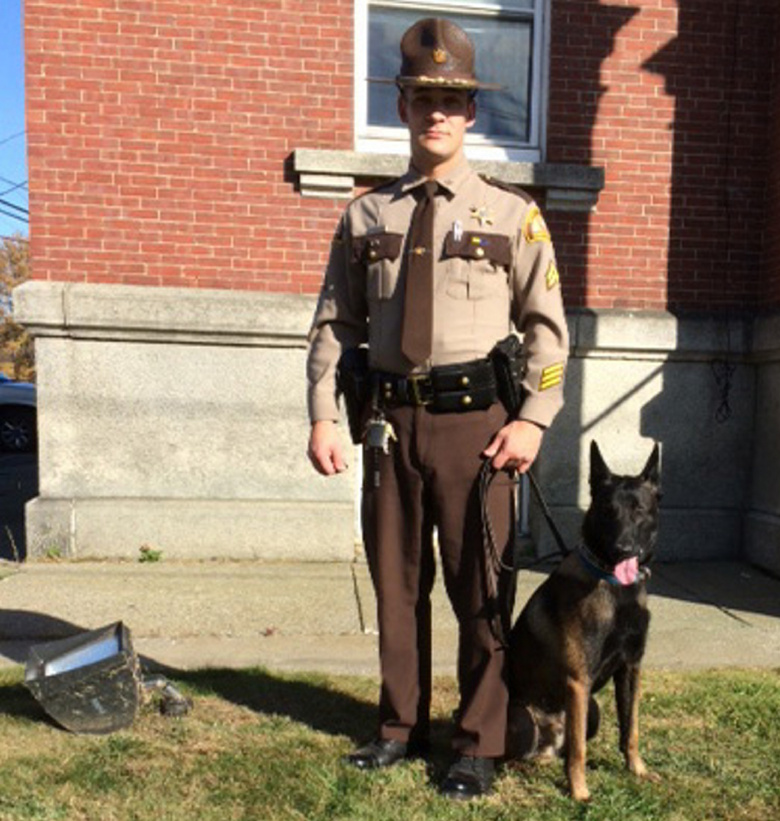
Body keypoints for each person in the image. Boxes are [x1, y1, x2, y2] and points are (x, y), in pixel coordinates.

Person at [305, 17, 569, 800]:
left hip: (478, 430)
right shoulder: (365, 218)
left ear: (471, 112)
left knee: (480, 588)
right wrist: (324, 411)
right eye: (424, 97)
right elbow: (335, 322)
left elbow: (549, 332)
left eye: (452, 99)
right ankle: (399, 726)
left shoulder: (511, 215)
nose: (438, 112)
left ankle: (478, 739)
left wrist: (532, 419)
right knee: (395, 584)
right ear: (403, 103)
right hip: (390, 424)